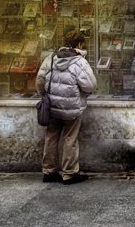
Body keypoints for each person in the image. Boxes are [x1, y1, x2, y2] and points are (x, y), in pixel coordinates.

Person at [36, 29, 97, 185]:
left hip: (52, 106)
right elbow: (90, 86)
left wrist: (44, 96)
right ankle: (69, 173)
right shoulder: (79, 63)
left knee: (51, 136)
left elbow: (39, 81)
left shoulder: (50, 59)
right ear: (79, 44)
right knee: (70, 138)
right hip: (72, 108)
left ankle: (49, 171)